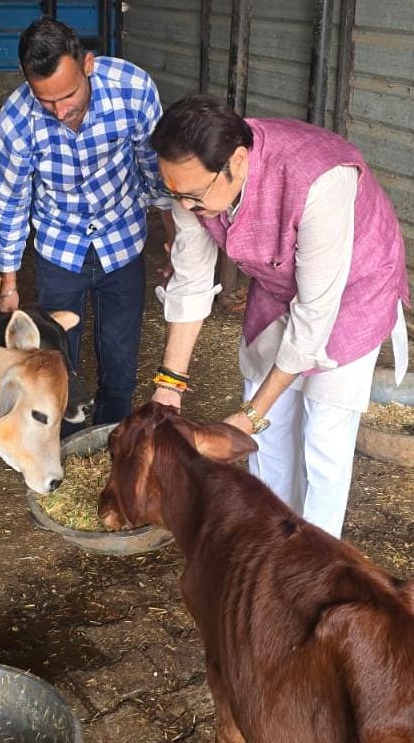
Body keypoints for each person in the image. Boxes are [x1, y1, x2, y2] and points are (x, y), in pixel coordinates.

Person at [151, 93, 410, 538]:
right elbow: (192, 282)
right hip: (278, 283)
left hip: (352, 290)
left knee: (323, 434)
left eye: (193, 196)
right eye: (175, 194)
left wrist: (251, 413)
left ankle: (316, 549)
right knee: (269, 433)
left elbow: (314, 313)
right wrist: (168, 388)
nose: (186, 207)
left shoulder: (320, 181)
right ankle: (273, 536)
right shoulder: (192, 184)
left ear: (237, 160)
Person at [0, 16, 175, 428]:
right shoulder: (17, 120)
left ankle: (112, 441)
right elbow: (11, 200)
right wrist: (8, 281)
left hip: (123, 239)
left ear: (87, 64)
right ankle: (68, 450)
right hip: (59, 247)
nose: (59, 111)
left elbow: (154, 168)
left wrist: (173, 237)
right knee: (58, 360)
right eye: (46, 101)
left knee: (120, 357)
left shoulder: (132, 89)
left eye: (68, 95)